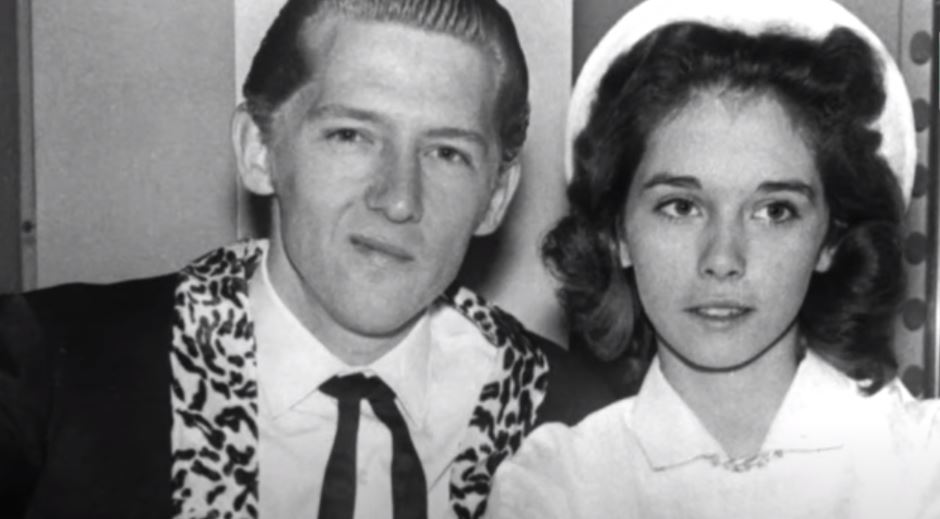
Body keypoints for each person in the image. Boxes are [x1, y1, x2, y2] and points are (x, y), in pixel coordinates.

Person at [0, 1, 615, 517]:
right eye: (351, 135)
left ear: (495, 198)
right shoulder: (47, 371)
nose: (399, 199)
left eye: (446, 153)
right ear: (259, 151)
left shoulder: (581, 426)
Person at [486, 0, 940, 518]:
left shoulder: (922, 465)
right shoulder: (556, 487)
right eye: (681, 207)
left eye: (774, 211)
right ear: (617, 233)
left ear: (832, 240)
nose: (723, 259)